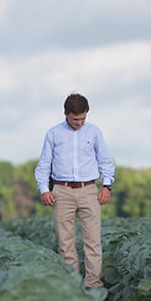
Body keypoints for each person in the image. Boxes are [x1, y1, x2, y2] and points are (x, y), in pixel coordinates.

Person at [34, 93, 115, 290]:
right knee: (65, 242)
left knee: (93, 240)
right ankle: (71, 285)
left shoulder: (94, 132)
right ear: (66, 114)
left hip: (89, 190)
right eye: (75, 119)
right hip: (61, 191)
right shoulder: (53, 133)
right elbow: (44, 165)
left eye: (83, 118)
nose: (79, 122)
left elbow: (105, 161)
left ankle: (93, 285)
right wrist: (44, 190)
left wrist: (107, 186)